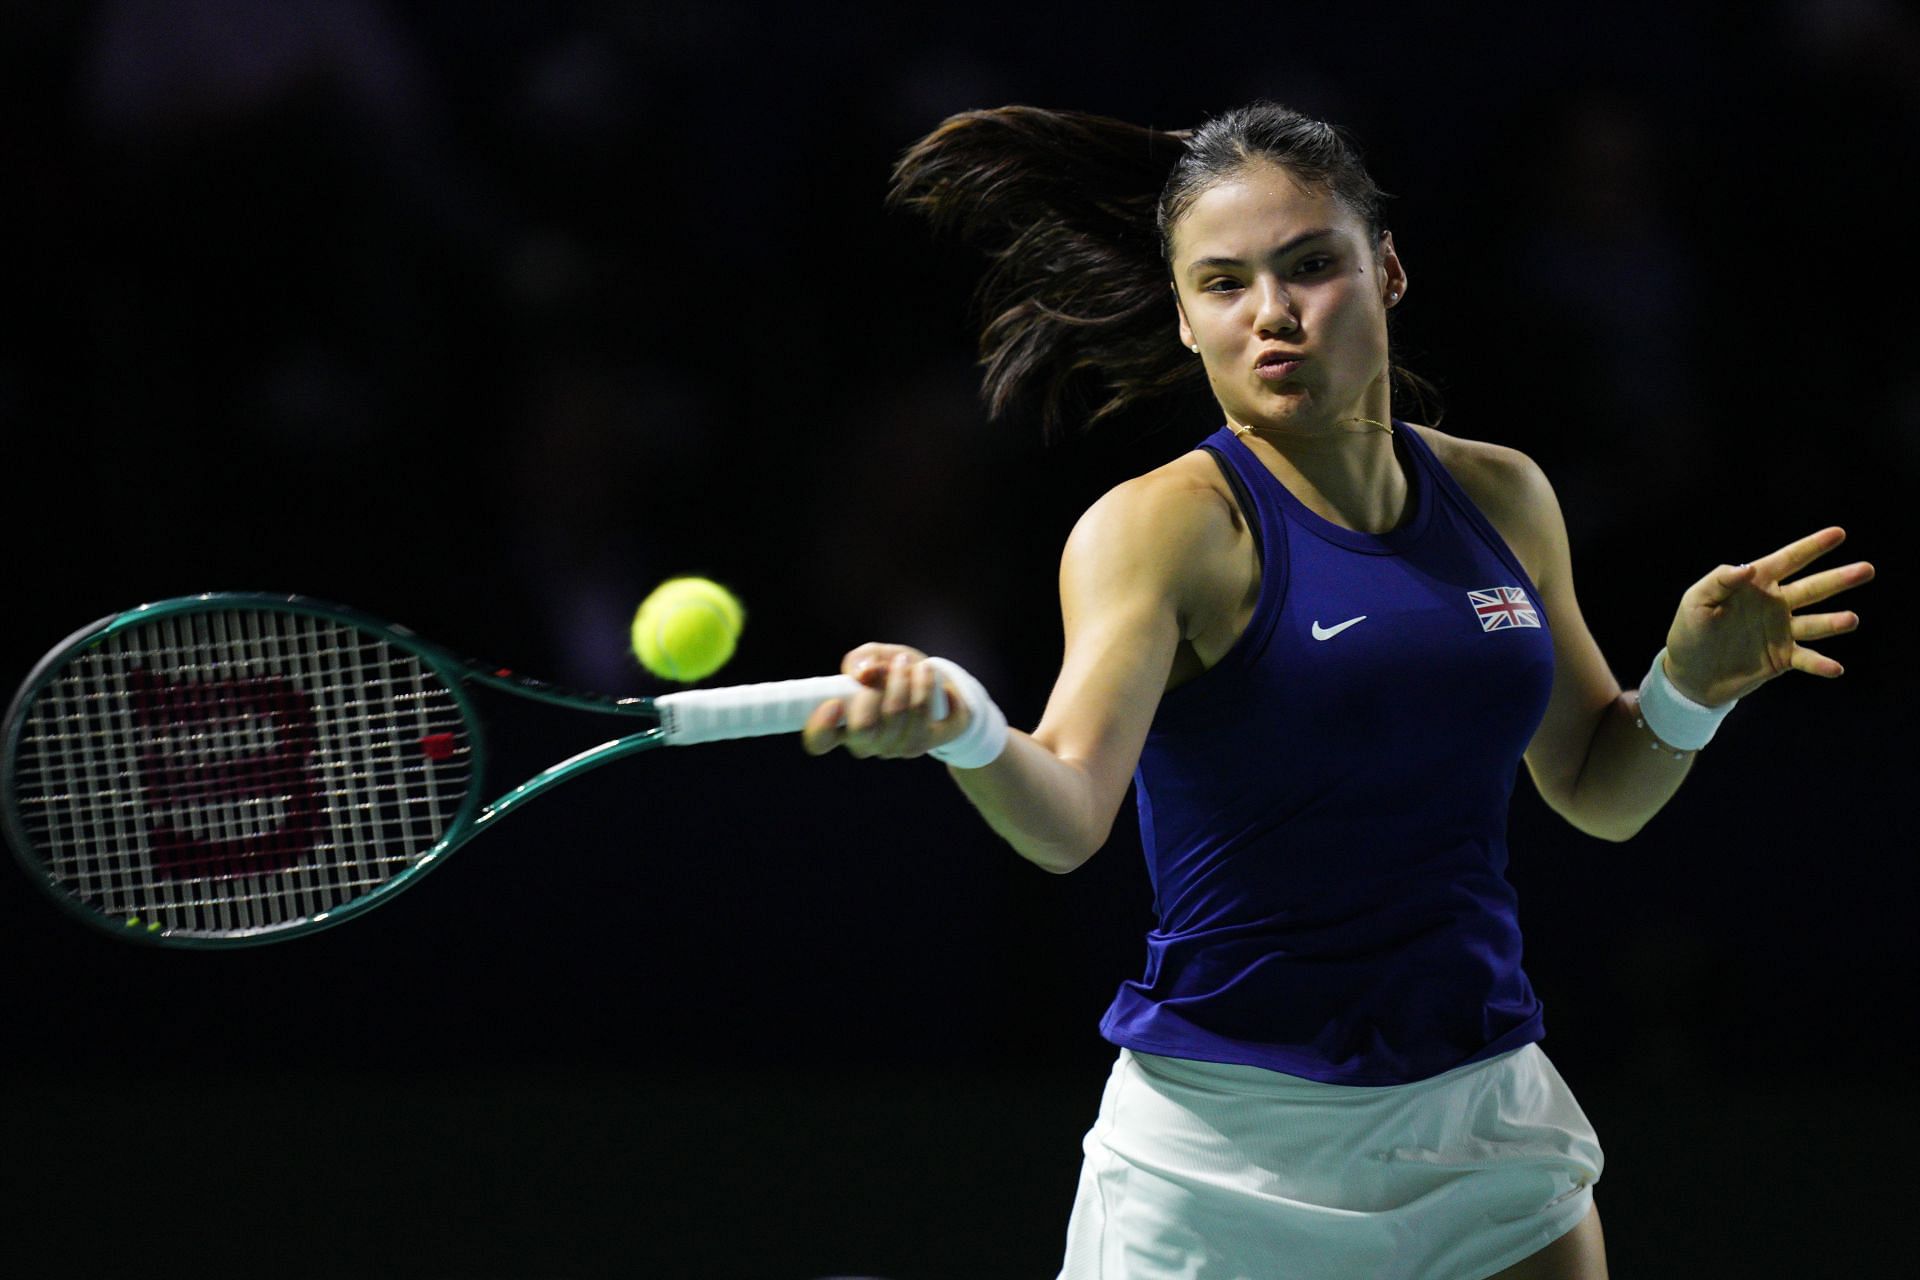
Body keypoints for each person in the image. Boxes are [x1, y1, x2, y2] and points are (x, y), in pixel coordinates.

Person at [801, 102, 1873, 1280]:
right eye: (1224, 283)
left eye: (1311, 265)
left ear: (1388, 270)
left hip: (1481, 1121)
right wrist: (962, 727)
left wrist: (1686, 687)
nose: (1272, 313)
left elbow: (1595, 786)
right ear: (1185, 315)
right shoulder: (1163, 530)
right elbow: (1065, 813)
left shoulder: (1503, 497)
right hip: (1223, 1156)